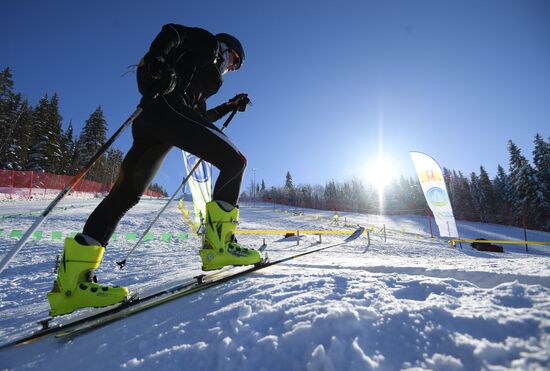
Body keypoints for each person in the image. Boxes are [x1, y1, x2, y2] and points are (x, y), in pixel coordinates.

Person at [47, 24, 261, 316]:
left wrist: (229, 106)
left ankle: (72, 286)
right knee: (235, 162)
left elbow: (200, 118)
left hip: (158, 123)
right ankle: (219, 247)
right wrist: (159, 58)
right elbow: (173, 31)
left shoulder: (200, 81)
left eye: (234, 68)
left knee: (126, 195)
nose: (230, 68)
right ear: (226, 49)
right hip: (166, 109)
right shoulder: (207, 43)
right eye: (233, 61)